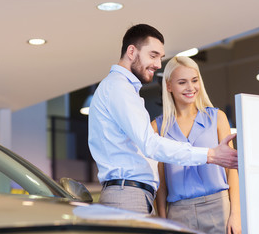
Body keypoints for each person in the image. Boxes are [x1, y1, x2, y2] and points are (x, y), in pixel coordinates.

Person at [88, 23, 238, 215]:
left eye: (160, 58)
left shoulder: (122, 89)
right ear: (132, 51)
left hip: (133, 195)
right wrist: (210, 155)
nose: (158, 65)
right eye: (153, 55)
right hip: (127, 197)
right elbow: (151, 145)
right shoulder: (119, 88)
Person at [152, 56, 241, 233]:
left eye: (194, 80)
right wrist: (162, 222)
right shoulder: (157, 127)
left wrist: (236, 214)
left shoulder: (217, 118)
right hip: (178, 213)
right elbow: (160, 184)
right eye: (182, 82)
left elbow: (232, 170)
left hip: (218, 207)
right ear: (169, 86)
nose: (190, 87)